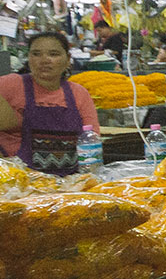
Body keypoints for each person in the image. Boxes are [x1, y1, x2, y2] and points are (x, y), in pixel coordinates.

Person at [0, 32, 101, 175]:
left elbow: (92, 140)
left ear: (67, 60)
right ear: (28, 58)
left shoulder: (78, 93)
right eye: (36, 54)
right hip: (19, 184)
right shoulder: (11, 85)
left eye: (53, 54)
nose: (44, 60)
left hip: (70, 183)